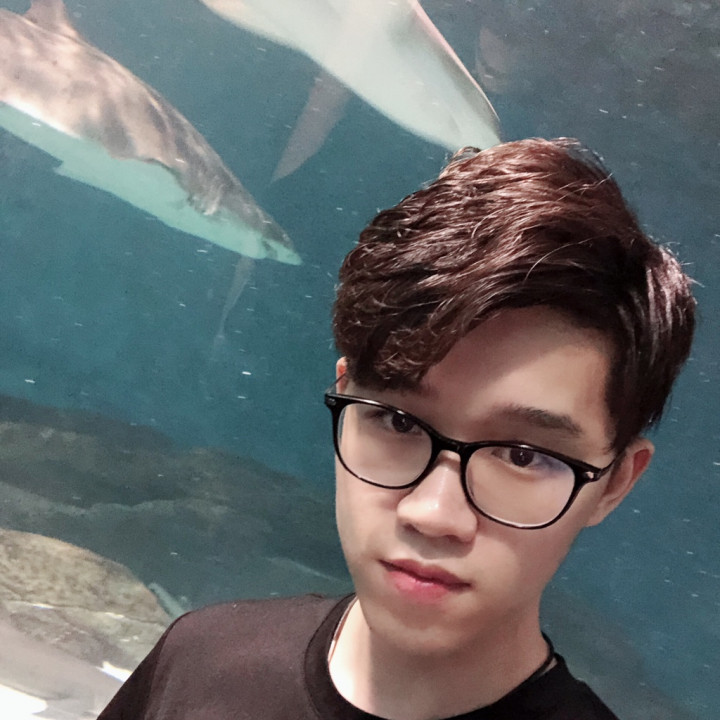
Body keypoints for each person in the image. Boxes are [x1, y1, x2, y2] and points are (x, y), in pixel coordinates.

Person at [97, 138, 696, 720]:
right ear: (343, 396)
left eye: (521, 454)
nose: (432, 514)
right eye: (398, 420)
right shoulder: (195, 664)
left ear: (615, 483)